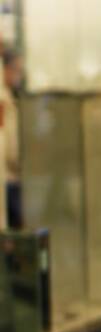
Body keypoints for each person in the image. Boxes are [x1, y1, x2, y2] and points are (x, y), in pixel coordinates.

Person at [1, 49, 20, 229]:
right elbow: (10, 146)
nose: (18, 75)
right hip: (8, 177)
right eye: (15, 69)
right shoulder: (4, 101)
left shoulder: (8, 100)